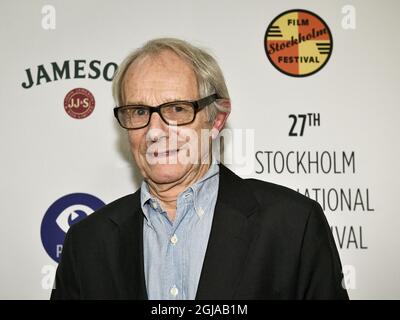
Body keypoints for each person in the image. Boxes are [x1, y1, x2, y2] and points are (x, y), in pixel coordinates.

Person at [51, 38, 348, 300]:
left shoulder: (293, 225)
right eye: (139, 112)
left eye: (177, 109)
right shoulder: (86, 243)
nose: (155, 132)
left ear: (216, 119)